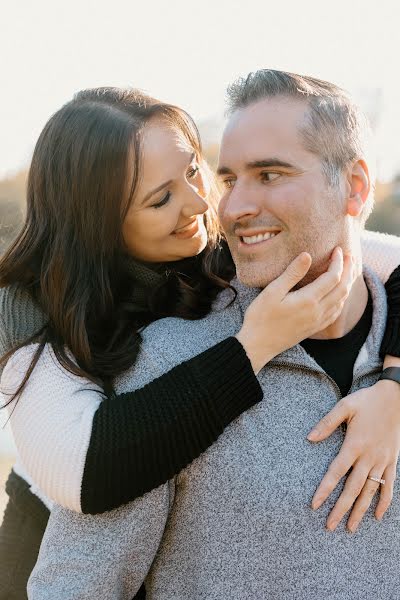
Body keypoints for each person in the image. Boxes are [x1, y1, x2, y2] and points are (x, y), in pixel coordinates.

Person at [24, 71, 400, 600]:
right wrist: (251, 349)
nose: (223, 208)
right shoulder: (156, 358)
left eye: (269, 174)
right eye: (232, 179)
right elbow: (75, 580)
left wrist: (394, 381)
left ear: (356, 187)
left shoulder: (389, 351)